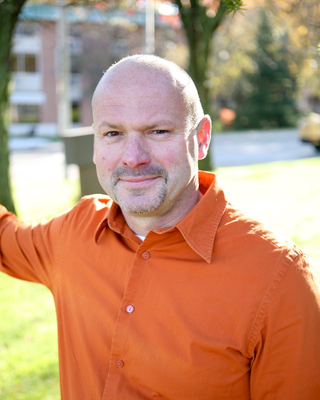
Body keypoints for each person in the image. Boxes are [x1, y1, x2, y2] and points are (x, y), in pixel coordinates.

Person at [1, 55, 320, 400]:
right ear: (95, 144)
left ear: (201, 138)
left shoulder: (280, 277)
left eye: (157, 131)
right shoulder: (73, 232)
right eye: (113, 133)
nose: (133, 157)